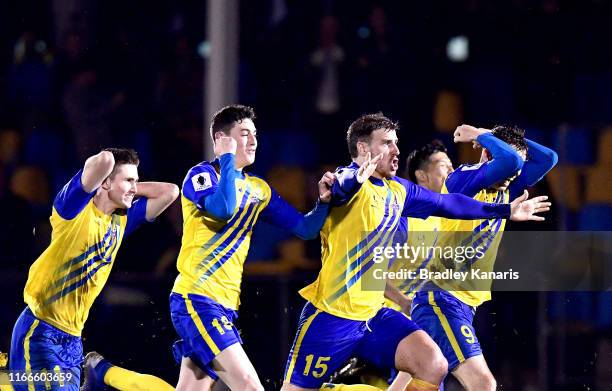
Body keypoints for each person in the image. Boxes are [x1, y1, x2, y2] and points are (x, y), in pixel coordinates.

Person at [281, 114, 551, 391]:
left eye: (396, 143)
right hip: (333, 314)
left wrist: (506, 210)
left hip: (375, 316)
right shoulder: (346, 183)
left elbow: (450, 204)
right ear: (363, 149)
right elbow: (341, 183)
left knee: (433, 365)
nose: (396, 150)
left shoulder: (400, 191)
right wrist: (353, 177)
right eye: (387, 143)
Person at [8, 148, 179, 391]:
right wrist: (111, 183)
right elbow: (105, 160)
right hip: (40, 331)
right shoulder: (73, 209)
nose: (135, 186)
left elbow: (170, 192)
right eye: (129, 179)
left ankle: (98, 375)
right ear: (106, 181)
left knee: (18, 385)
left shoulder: (122, 220)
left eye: (136, 180)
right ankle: (100, 375)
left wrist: (128, 188)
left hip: (73, 338)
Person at [406, 124, 558, 390]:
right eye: (512, 166)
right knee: (483, 383)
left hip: (463, 304)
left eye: (519, 168)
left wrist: (490, 133)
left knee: (417, 379)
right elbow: (509, 160)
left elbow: (548, 158)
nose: (515, 173)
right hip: (442, 298)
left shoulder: (507, 185)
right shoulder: (463, 178)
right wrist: (480, 136)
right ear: (488, 155)